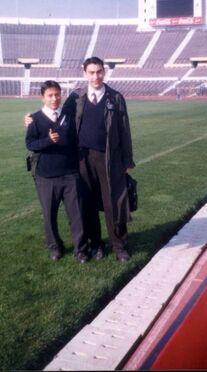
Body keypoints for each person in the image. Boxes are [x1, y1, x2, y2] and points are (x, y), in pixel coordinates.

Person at [25, 57, 135, 262]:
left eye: (99, 72)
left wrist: (127, 161)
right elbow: (56, 115)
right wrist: (32, 120)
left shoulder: (115, 98)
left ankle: (119, 246)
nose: (96, 76)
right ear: (84, 72)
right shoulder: (76, 98)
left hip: (109, 158)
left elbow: (125, 130)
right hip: (83, 159)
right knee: (89, 205)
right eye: (91, 72)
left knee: (114, 203)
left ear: (104, 72)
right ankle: (96, 244)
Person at [25, 80, 89, 263]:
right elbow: (30, 144)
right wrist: (48, 140)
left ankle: (81, 250)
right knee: (49, 216)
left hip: (70, 174)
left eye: (57, 94)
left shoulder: (68, 114)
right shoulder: (35, 119)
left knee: (76, 215)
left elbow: (80, 95)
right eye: (50, 95)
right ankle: (55, 248)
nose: (54, 99)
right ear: (42, 97)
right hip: (46, 176)